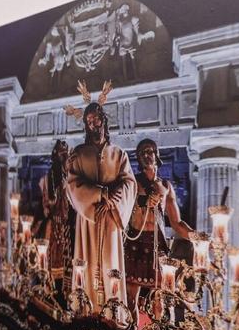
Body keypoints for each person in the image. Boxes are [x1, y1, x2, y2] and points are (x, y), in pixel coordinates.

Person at [65, 98, 136, 306]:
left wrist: (113, 199)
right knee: (85, 263)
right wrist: (100, 193)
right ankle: (85, 309)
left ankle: (112, 311)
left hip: (111, 217)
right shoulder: (79, 153)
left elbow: (129, 183)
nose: (93, 124)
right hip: (89, 218)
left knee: (110, 262)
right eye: (89, 121)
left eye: (96, 119)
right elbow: (72, 183)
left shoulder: (118, 154)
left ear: (103, 120)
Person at [124, 138, 194, 309]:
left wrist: (195, 237)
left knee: (161, 297)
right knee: (131, 297)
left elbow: (176, 223)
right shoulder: (133, 182)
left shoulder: (166, 186)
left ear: (156, 155)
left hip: (157, 245)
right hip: (135, 243)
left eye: (150, 151)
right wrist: (143, 202)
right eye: (142, 153)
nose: (146, 156)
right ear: (138, 159)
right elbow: (123, 208)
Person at [38, 139, 74, 279]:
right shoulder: (50, 177)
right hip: (54, 222)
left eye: (66, 153)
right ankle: (51, 285)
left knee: (68, 255)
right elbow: (49, 203)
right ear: (56, 154)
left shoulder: (70, 174)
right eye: (61, 152)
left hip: (67, 223)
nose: (64, 155)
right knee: (53, 255)